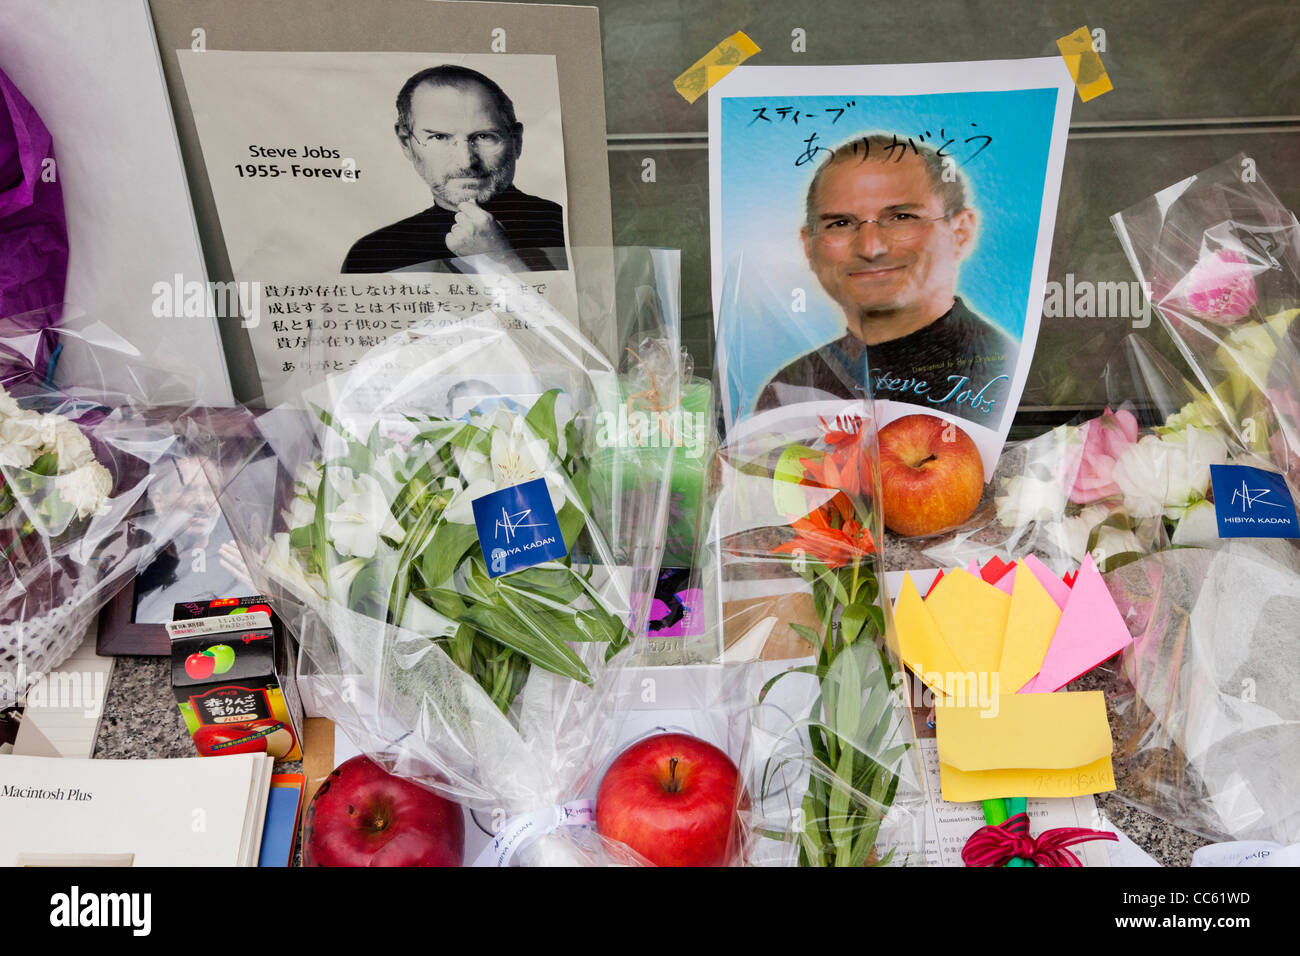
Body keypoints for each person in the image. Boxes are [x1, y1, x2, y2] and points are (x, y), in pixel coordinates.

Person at [756, 133, 1018, 423]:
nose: (871, 248)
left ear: (961, 232)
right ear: (809, 246)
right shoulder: (791, 389)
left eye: (902, 217)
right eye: (841, 223)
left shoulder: (1010, 373)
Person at [342, 65, 567, 274]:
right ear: (406, 143)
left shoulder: (566, 227)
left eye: (484, 136)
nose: (467, 162)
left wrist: (501, 259)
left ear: (516, 141)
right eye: (439, 137)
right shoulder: (372, 255)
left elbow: (583, 317)